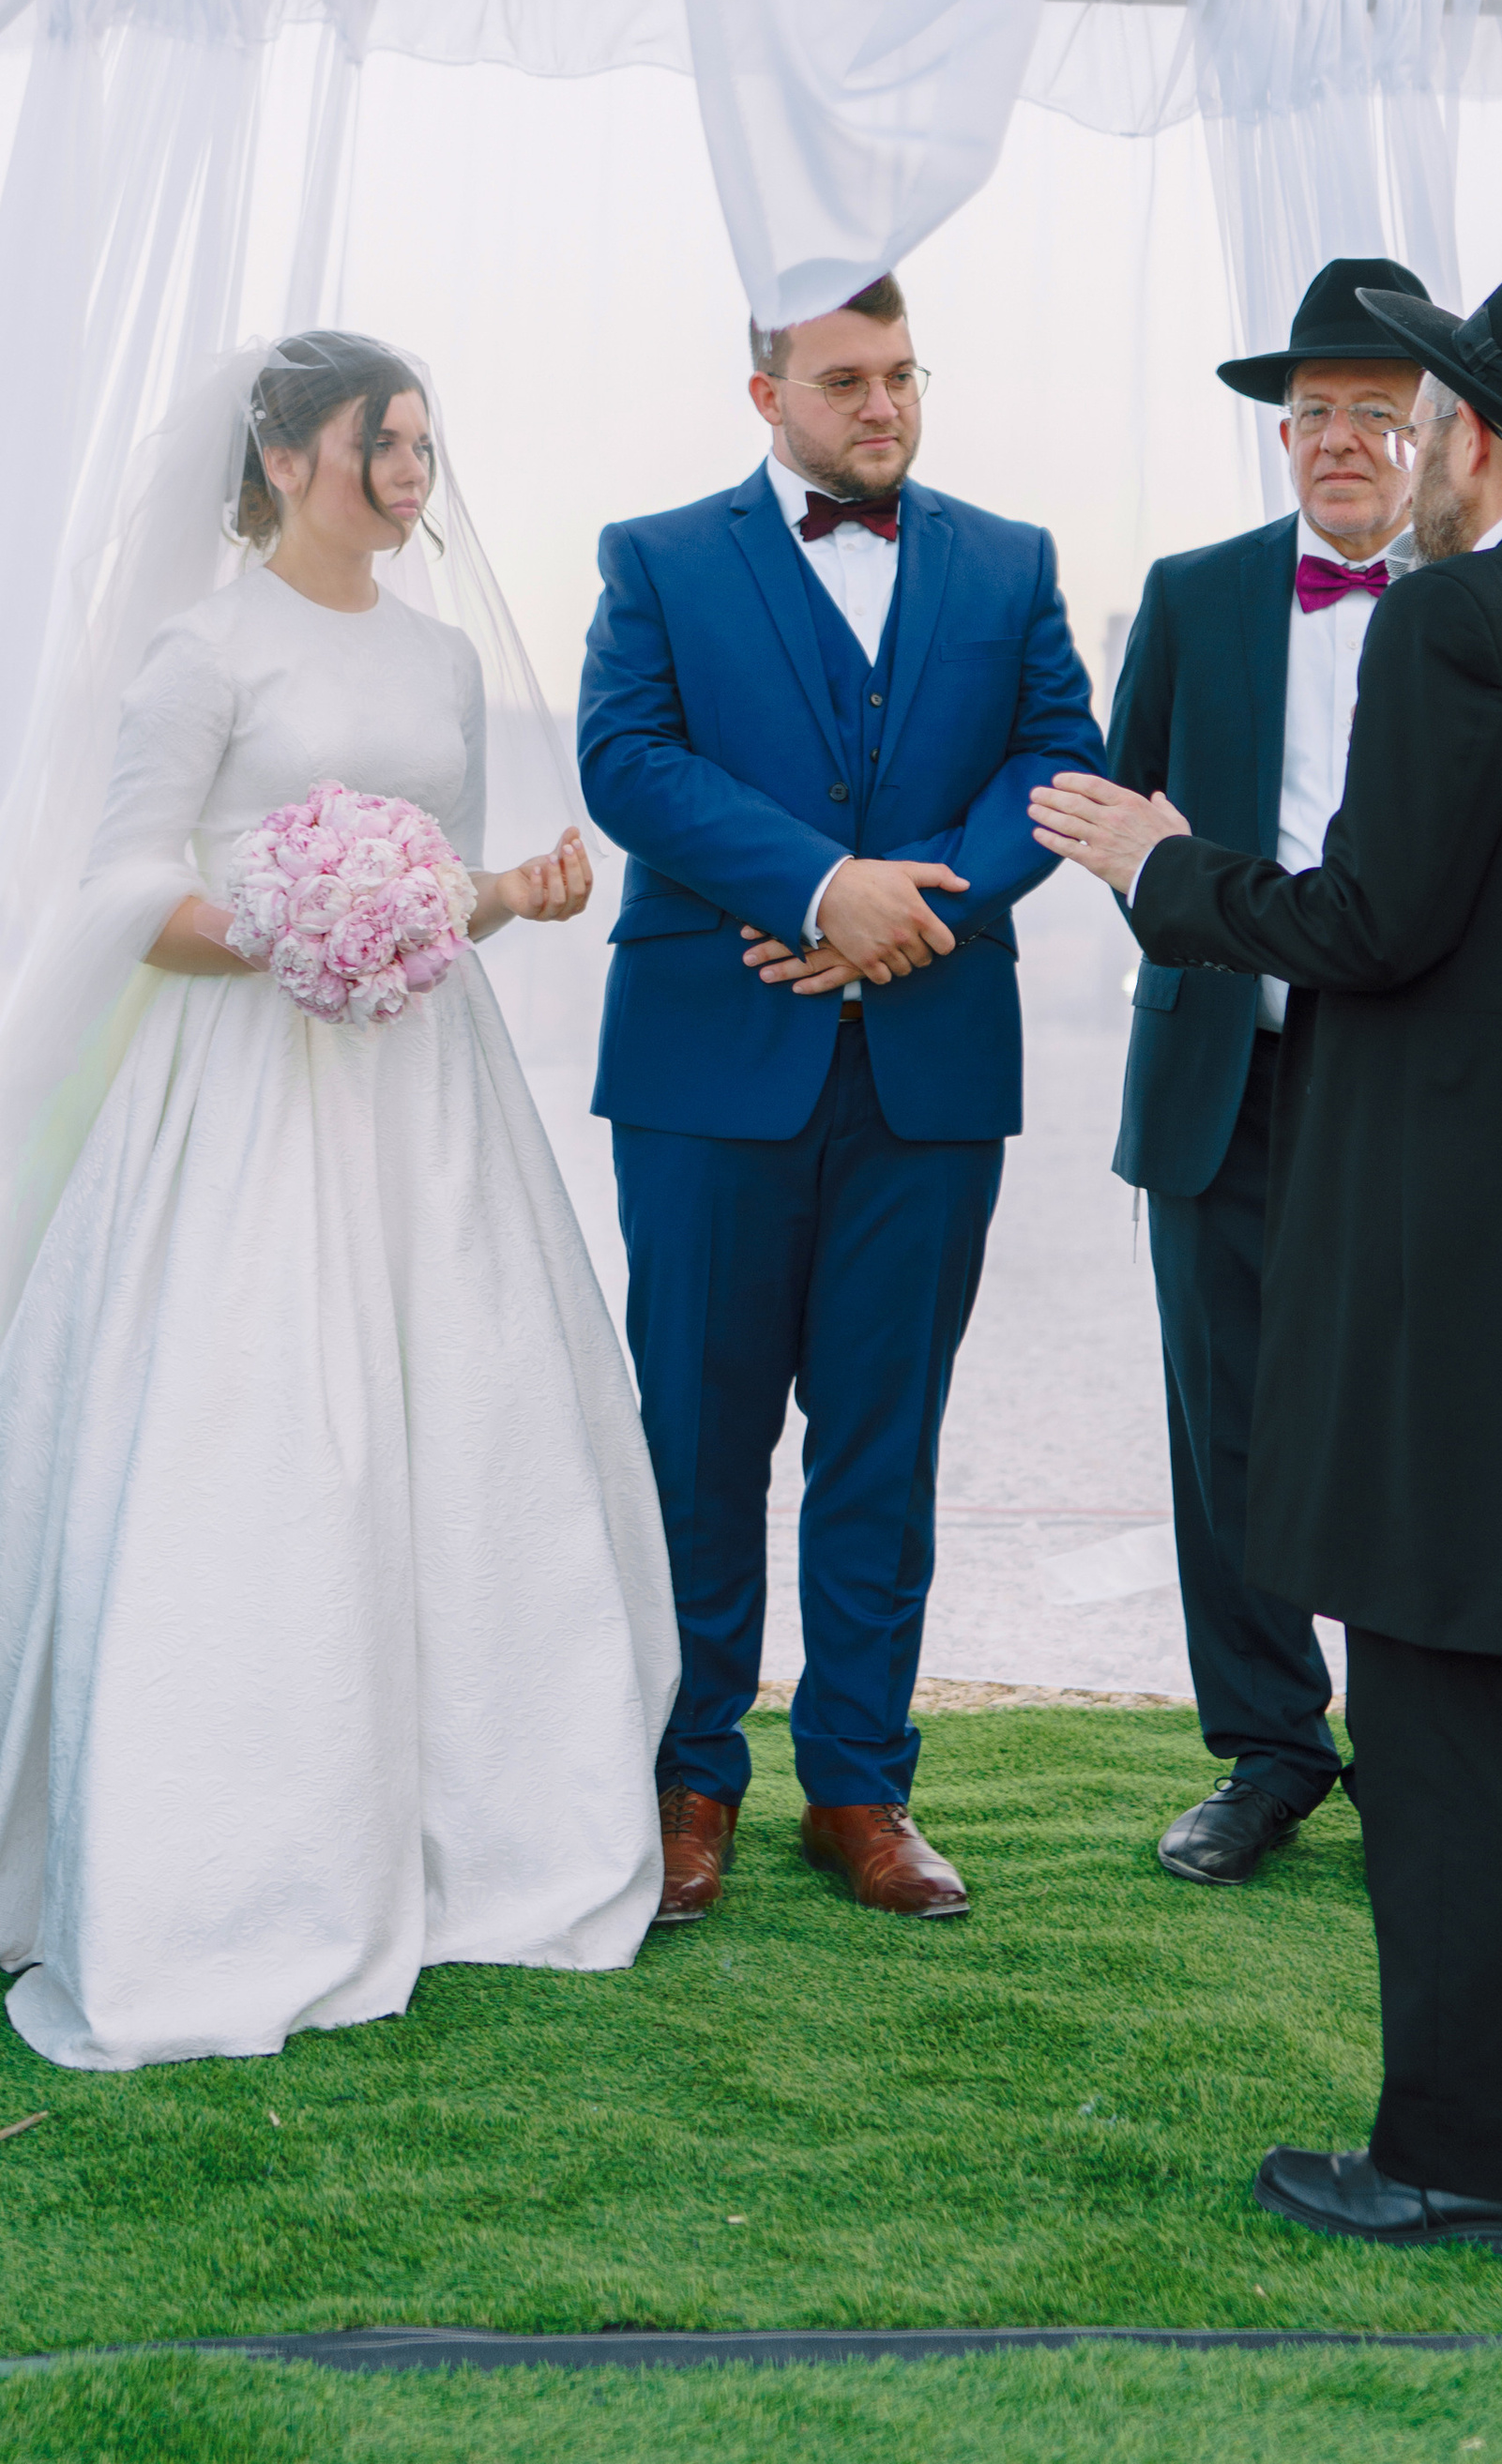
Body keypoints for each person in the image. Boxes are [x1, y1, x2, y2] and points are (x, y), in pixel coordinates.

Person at [1034, 246, 1502, 2264]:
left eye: (1425, 408)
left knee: (1450, 1716)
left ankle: (1468, 2158)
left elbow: (1370, 926)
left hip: (1468, 1269)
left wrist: (1159, 871)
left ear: (1469, 429)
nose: (1406, 440)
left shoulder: (1458, 619)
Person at [0, 333, 677, 2070]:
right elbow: (125, 886)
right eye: (378, 446)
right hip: (240, 1098)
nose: (412, 477)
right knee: (245, 1438)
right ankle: (231, 1849)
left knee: (465, 1428)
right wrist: (290, 930)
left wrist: (505, 898)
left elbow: (440, 886)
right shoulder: (203, 653)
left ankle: (483, 1837)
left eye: (422, 445)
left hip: (426, 1096)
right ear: (280, 455)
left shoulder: (444, 658)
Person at [578, 274, 1103, 1927]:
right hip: (709, 1064)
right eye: (847, 381)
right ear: (767, 398)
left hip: (930, 1062)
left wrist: (907, 913)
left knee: (885, 1434)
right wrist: (820, 888)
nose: (883, 406)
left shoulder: (1009, 561)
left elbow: (1057, 760)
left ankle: (863, 1788)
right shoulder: (653, 558)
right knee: (698, 1435)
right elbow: (628, 762)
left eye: (902, 376)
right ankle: (686, 1776)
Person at [1106, 257, 1429, 1888]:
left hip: (1417, 1087)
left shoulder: (1483, 599)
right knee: (1222, 1417)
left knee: (1411, 1417)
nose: (1343, 441)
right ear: (1281, 436)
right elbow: (1122, 813)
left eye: (1379, 412)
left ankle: (1425, 1752)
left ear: (1436, 431)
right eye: (1316, 414)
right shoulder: (1195, 591)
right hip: (1220, 1073)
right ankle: (1266, 1751)